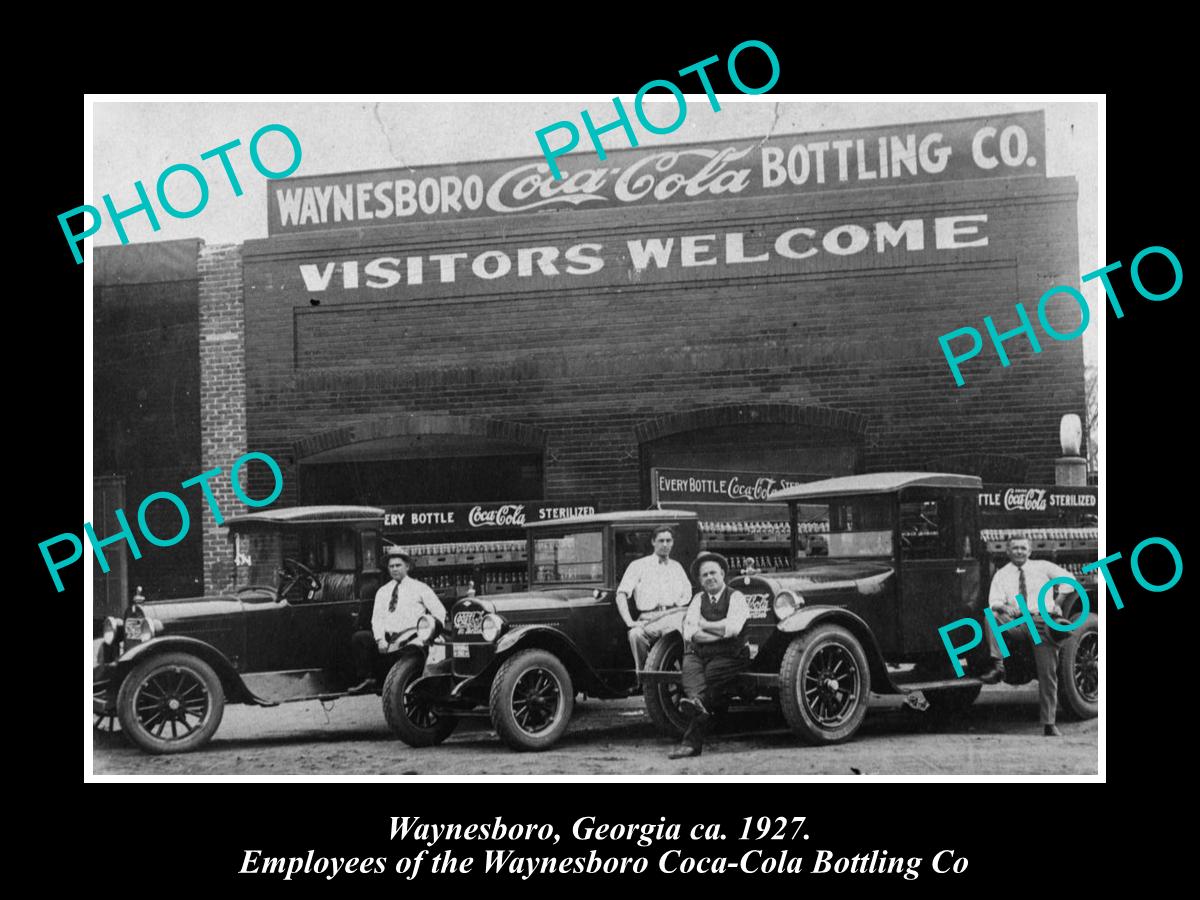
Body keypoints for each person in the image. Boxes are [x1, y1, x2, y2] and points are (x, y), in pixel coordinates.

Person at [977, 535, 1075, 736]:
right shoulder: (1001, 574)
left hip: (1041, 621)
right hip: (1018, 622)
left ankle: (1049, 723)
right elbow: (993, 601)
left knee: (1047, 671)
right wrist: (1004, 607)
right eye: (1015, 548)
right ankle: (998, 665)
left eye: (1023, 548)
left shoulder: (1042, 566)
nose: (1019, 551)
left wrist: (1058, 602)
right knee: (991, 617)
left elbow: (1069, 581)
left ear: (1030, 551)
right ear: (1008, 552)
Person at [668, 552, 750, 759]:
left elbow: (732, 630)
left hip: (731, 655)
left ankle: (691, 742)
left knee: (711, 676)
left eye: (713, 573)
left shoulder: (736, 597)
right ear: (700, 580)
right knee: (690, 670)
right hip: (701, 653)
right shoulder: (698, 599)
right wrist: (718, 633)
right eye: (704, 575)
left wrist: (703, 625)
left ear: (722, 574)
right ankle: (698, 704)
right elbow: (689, 633)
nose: (709, 578)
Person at [349, 548, 447, 694]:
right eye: (391, 566)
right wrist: (380, 639)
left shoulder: (420, 588)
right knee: (360, 638)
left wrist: (429, 633)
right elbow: (377, 618)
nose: (395, 569)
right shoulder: (383, 591)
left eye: (398, 565)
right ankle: (369, 680)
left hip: (412, 639)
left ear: (407, 566)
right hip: (389, 640)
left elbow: (439, 612)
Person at [614, 526, 693, 678]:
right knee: (635, 635)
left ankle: (687, 679)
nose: (665, 544)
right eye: (661, 540)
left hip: (673, 617)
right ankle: (646, 679)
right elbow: (621, 594)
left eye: (668, 540)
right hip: (649, 619)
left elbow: (687, 594)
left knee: (688, 636)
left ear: (673, 543)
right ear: (653, 542)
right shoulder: (638, 565)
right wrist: (630, 621)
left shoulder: (677, 567)